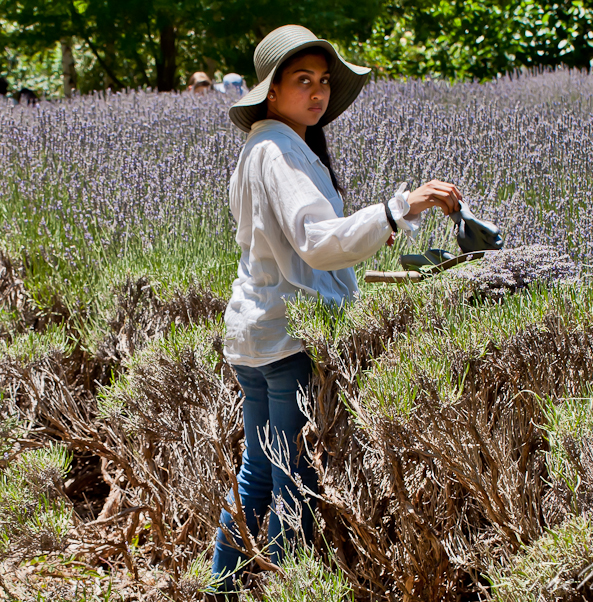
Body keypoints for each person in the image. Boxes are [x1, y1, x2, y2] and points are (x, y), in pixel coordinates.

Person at [211, 24, 462, 594]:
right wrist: (400, 207)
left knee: (257, 475)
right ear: (270, 91)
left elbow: (290, 240)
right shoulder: (279, 150)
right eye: (303, 81)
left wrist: (373, 234)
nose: (319, 92)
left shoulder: (263, 146)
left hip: (254, 332)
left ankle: (221, 589)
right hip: (288, 340)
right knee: (294, 480)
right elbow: (317, 240)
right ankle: (287, 589)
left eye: (323, 81)